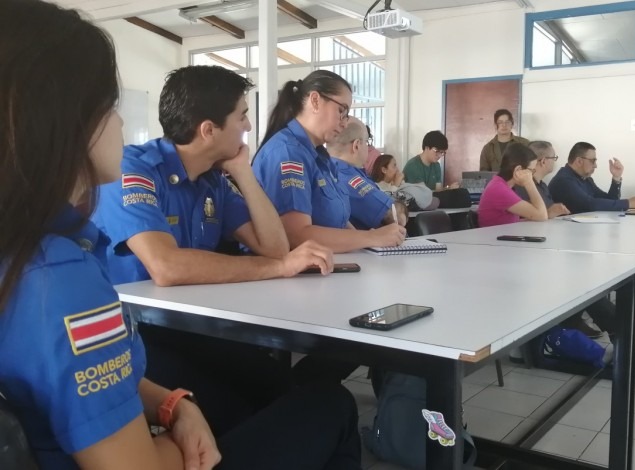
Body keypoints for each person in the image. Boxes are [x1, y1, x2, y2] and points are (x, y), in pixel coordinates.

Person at [0, 3, 362, 470]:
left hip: (136, 359)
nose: (123, 122)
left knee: (267, 390)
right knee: (330, 405)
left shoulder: (30, 247)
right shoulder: (66, 275)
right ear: (69, 123)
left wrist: (243, 173)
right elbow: (169, 267)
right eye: (111, 106)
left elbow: (275, 246)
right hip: (151, 334)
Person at [252, 70, 406, 254]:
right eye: (341, 111)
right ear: (315, 101)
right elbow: (296, 236)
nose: (344, 122)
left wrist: (370, 243)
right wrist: (372, 237)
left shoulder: (319, 157)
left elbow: (341, 222)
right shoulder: (288, 153)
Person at [327, 117, 408, 228]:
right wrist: (402, 206)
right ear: (356, 145)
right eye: (367, 141)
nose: (368, 146)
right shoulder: (349, 178)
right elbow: (396, 216)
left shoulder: (326, 171)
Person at [549, 142, 635, 214]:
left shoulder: (586, 179)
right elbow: (590, 204)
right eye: (593, 161)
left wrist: (616, 178)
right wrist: (628, 203)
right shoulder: (563, 180)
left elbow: (610, 199)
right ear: (579, 161)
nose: (596, 165)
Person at [477, 143, 548, 227]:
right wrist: (529, 183)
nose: (532, 175)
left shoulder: (501, 184)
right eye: (531, 170)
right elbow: (542, 216)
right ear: (518, 169)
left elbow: (513, 220)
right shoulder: (499, 189)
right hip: (493, 238)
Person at [513, 141, 570, 218]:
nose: (554, 161)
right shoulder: (522, 185)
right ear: (543, 161)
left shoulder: (543, 185)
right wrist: (547, 215)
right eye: (553, 158)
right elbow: (520, 220)